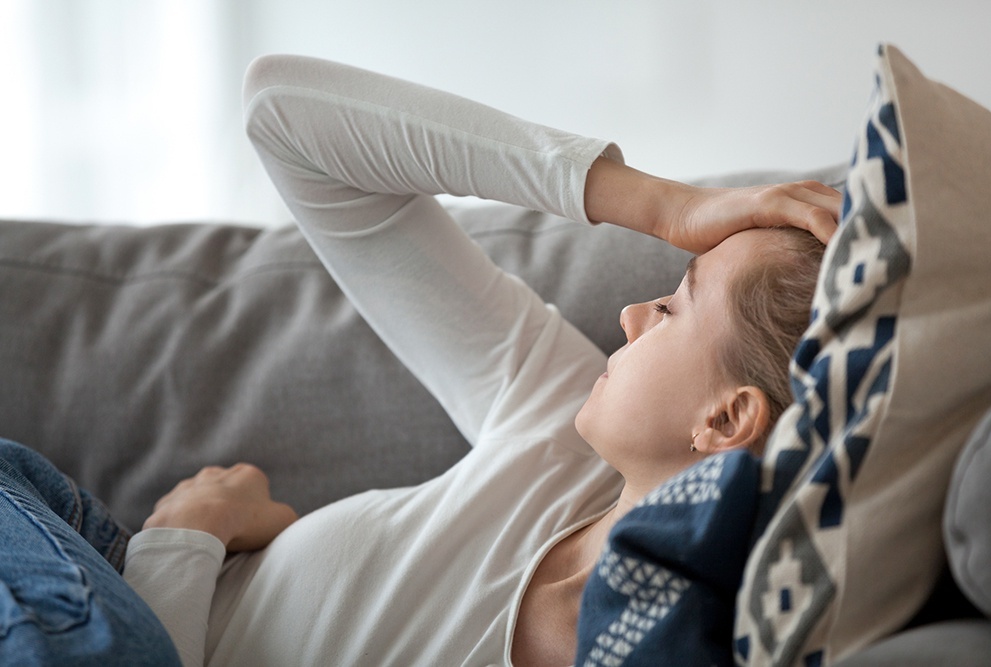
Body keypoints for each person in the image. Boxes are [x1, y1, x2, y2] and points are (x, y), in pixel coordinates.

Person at [0, 54, 840, 667]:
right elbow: (285, 116)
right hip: (54, 552)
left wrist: (180, 546)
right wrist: (666, 204)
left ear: (725, 418)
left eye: (674, 304)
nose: (629, 311)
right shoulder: (552, 422)